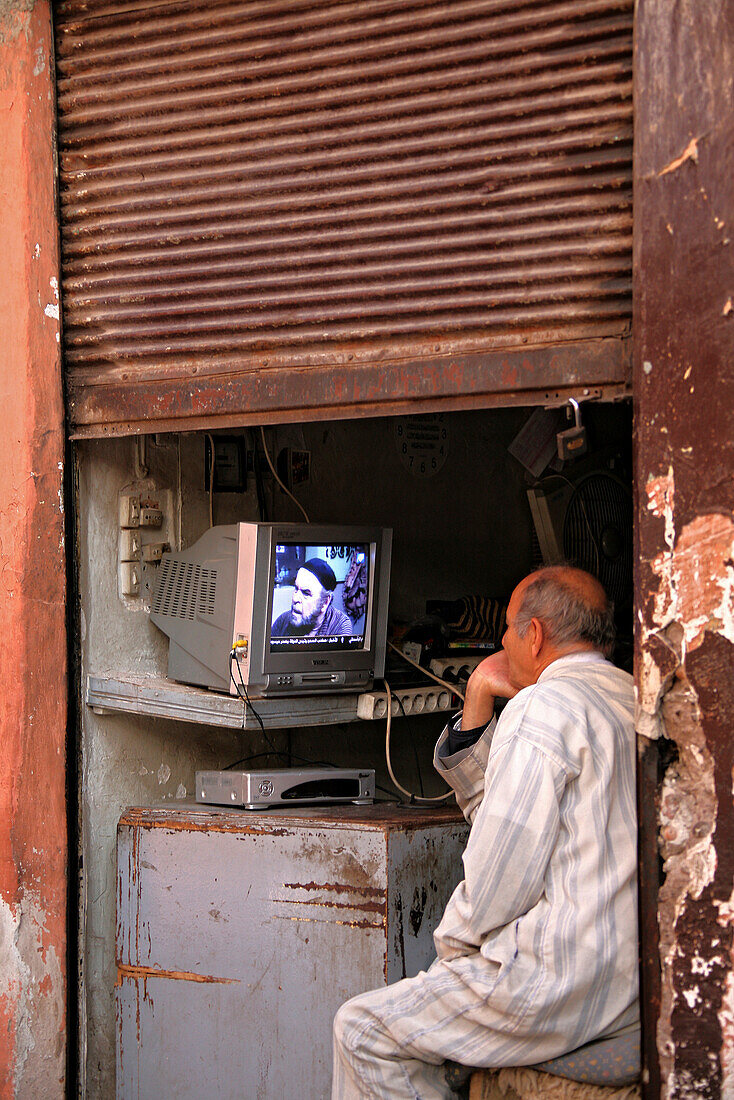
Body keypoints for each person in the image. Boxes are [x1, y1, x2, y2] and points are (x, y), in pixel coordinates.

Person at [332, 566, 638, 1099]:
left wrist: (451, 956)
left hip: (561, 982)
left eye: (508, 629)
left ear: (534, 634)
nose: (500, 642)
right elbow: (505, 814)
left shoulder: (543, 707)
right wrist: (477, 695)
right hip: (629, 980)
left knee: (361, 1030)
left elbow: (501, 873)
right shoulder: (632, 697)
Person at [271, 558, 351, 637]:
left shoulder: (340, 626)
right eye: (296, 588)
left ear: (325, 602)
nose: (295, 599)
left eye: (306, 593)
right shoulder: (283, 621)